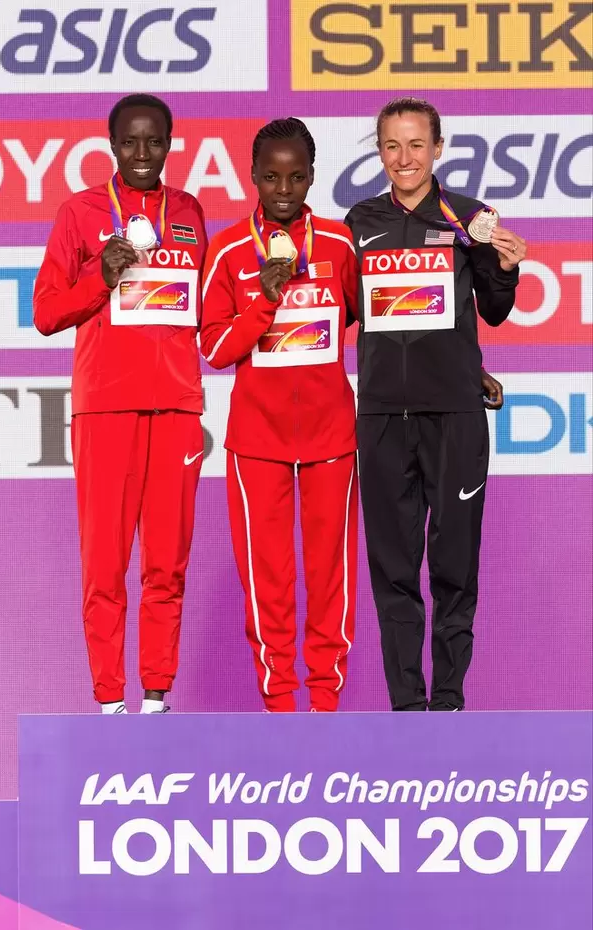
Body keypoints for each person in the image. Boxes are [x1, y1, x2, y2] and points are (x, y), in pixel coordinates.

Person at [345, 97, 526, 712]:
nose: (404, 158)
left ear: (439, 148)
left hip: (453, 417)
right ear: (378, 150)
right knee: (393, 571)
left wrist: (503, 269)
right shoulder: (358, 220)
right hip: (381, 420)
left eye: (416, 144)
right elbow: (343, 309)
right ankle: (406, 708)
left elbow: (494, 310)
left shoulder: (470, 217)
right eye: (391, 145)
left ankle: (448, 700)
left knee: (454, 567)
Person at [34, 94, 207, 714]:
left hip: (177, 409)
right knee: (104, 566)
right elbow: (47, 312)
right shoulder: (80, 213)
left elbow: (197, 308)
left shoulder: (187, 211)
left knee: (168, 566)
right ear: (111, 145)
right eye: (130, 142)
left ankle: (157, 698)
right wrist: (99, 278)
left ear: (169, 144)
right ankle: (109, 700)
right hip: (106, 409)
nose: (142, 154)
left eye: (154, 142)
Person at [200, 118, 358, 713]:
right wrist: (267, 298)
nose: (283, 189)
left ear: (312, 176)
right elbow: (214, 350)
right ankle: (280, 704)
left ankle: (325, 703)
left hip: (332, 438)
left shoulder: (340, 244)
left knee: (330, 578)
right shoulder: (230, 250)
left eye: (295, 176)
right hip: (256, 443)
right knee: (267, 581)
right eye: (270, 176)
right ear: (253, 177)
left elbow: (357, 320)